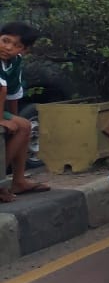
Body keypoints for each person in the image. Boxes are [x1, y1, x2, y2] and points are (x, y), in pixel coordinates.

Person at [0, 21, 50, 202]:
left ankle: (19, 180)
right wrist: (2, 120)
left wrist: (14, 120)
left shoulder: (15, 62)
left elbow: (13, 93)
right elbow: (1, 90)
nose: (8, 48)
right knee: (22, 125)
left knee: (23, 126)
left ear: (24, 50)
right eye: (5, 41)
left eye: (16, 45)